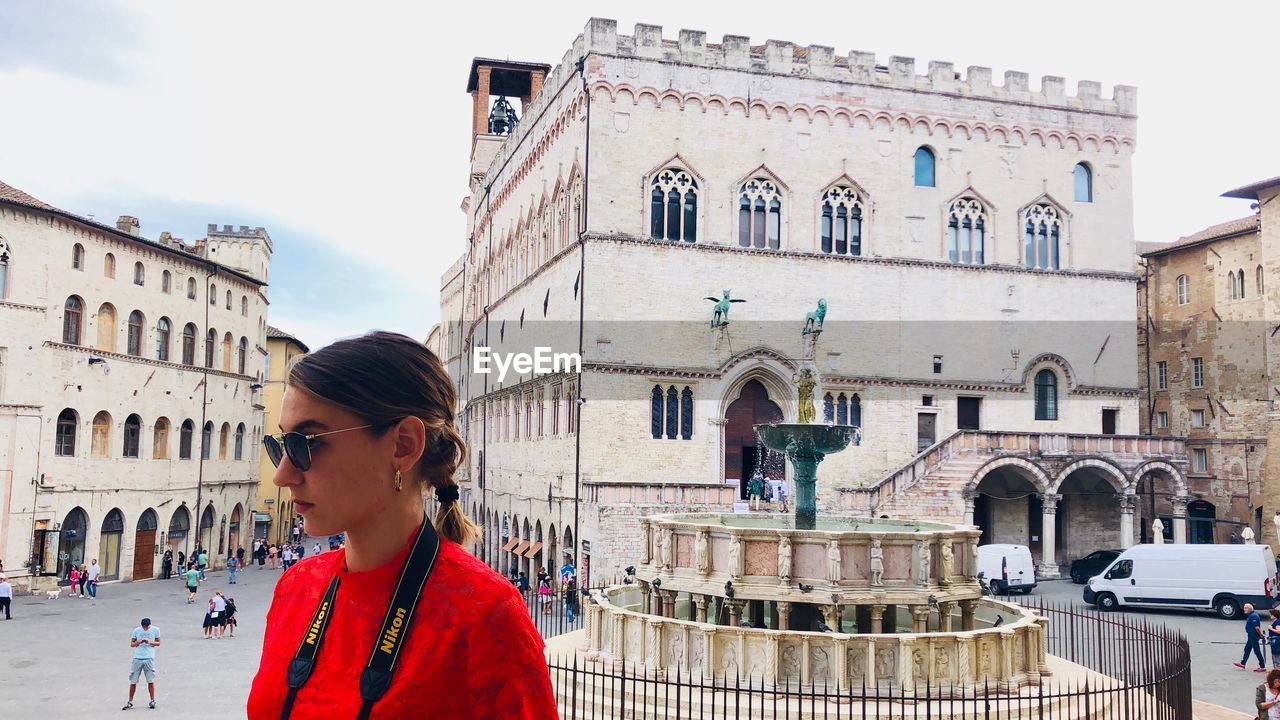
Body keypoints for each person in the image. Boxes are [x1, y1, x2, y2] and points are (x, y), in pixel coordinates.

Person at [246, 331, 555, 718]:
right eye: (281, 446)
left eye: (308, 443)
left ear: (403, 445)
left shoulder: (485, 615)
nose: (283, 474)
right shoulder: (296, 587)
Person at [124, 617, 160, 710]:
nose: (144, 628)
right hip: (138, 658)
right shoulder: (136, 630)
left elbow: (158, 642)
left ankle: (152, 700)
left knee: (150, 680)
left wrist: (150, 641)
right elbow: (132, 644)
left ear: (149, 625)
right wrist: (138, 642)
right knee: (133, 680)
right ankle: (130, 701)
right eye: (143, 626)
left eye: (146, 627)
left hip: (149, 657)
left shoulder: (156, 630)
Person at [1238, 602, 1269, 672]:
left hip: (1253, 636)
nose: (1244, 609)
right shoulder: (1250, 615)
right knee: (1247, 649)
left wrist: (1261, 634)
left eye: (1245, 608)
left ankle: (1262, 666)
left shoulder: (1253, 616)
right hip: (1251, 635)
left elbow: (1257, 627)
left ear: (1249, 609)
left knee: (1257, 651)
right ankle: (1243, 663)